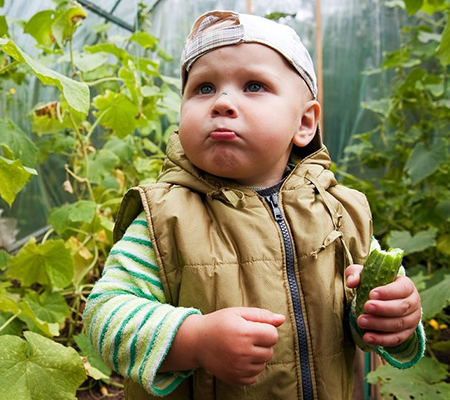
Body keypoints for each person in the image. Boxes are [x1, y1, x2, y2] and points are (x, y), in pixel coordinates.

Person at [82, 10, 425, 400]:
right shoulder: (164, 220)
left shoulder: (343, 215)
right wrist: (193, 341)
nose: (223, 102)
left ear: (305, 124)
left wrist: (396, 319)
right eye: (204, 88)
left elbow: (368, 320)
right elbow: (104, 316)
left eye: (255, 86)